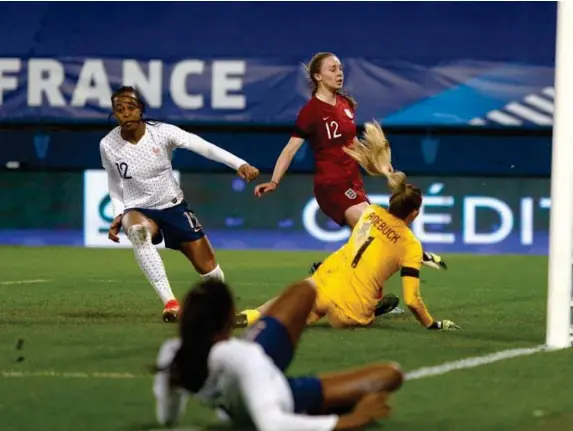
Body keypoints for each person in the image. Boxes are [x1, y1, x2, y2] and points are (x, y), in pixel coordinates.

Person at [238, 123, 461, 331]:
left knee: (284, 309)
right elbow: (412, 299)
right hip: (350, 311)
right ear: (415, 213)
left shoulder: (371, 214)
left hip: (326, 284)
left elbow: (378, 239)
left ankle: (247, 316)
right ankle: (373, 304)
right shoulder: (410, 245)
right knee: (366, 283)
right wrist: (434, 325)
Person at [253, 52, 447, 274]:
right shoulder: (311, 112)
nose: (339, 73)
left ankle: (339, 278)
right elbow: (289, 150)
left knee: (368, 240)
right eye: (332, 69)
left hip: (352, 182)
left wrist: (379, 165)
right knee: (374, 229)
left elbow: (353, 144)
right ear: (318, 76)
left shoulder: (346, 104)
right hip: (332, 185)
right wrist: (274, 181)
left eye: (340, 69)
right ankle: (414, 255)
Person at [153, 279, 404, 430]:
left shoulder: (173, 352)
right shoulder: (241, 357)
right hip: (279, 392)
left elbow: (167, 417)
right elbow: (272, 424)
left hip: (251, 369)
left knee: (305, 290)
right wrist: (352, 421)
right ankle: (320, 407)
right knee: (391, 374)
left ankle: (330, 404)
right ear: (228, 320)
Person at [100, 86, 259, 322]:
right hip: (138, 208)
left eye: (131, 108)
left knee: (208, 267)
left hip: (173, 206)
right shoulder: (108, 145)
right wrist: (118, 212)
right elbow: (114, 181)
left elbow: (203, 146)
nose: (125, 114)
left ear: (141, 109)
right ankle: (171, 304)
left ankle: (224, 310)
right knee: (137, 233)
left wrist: (239, 164)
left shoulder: (161, 133)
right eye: (119, 110)